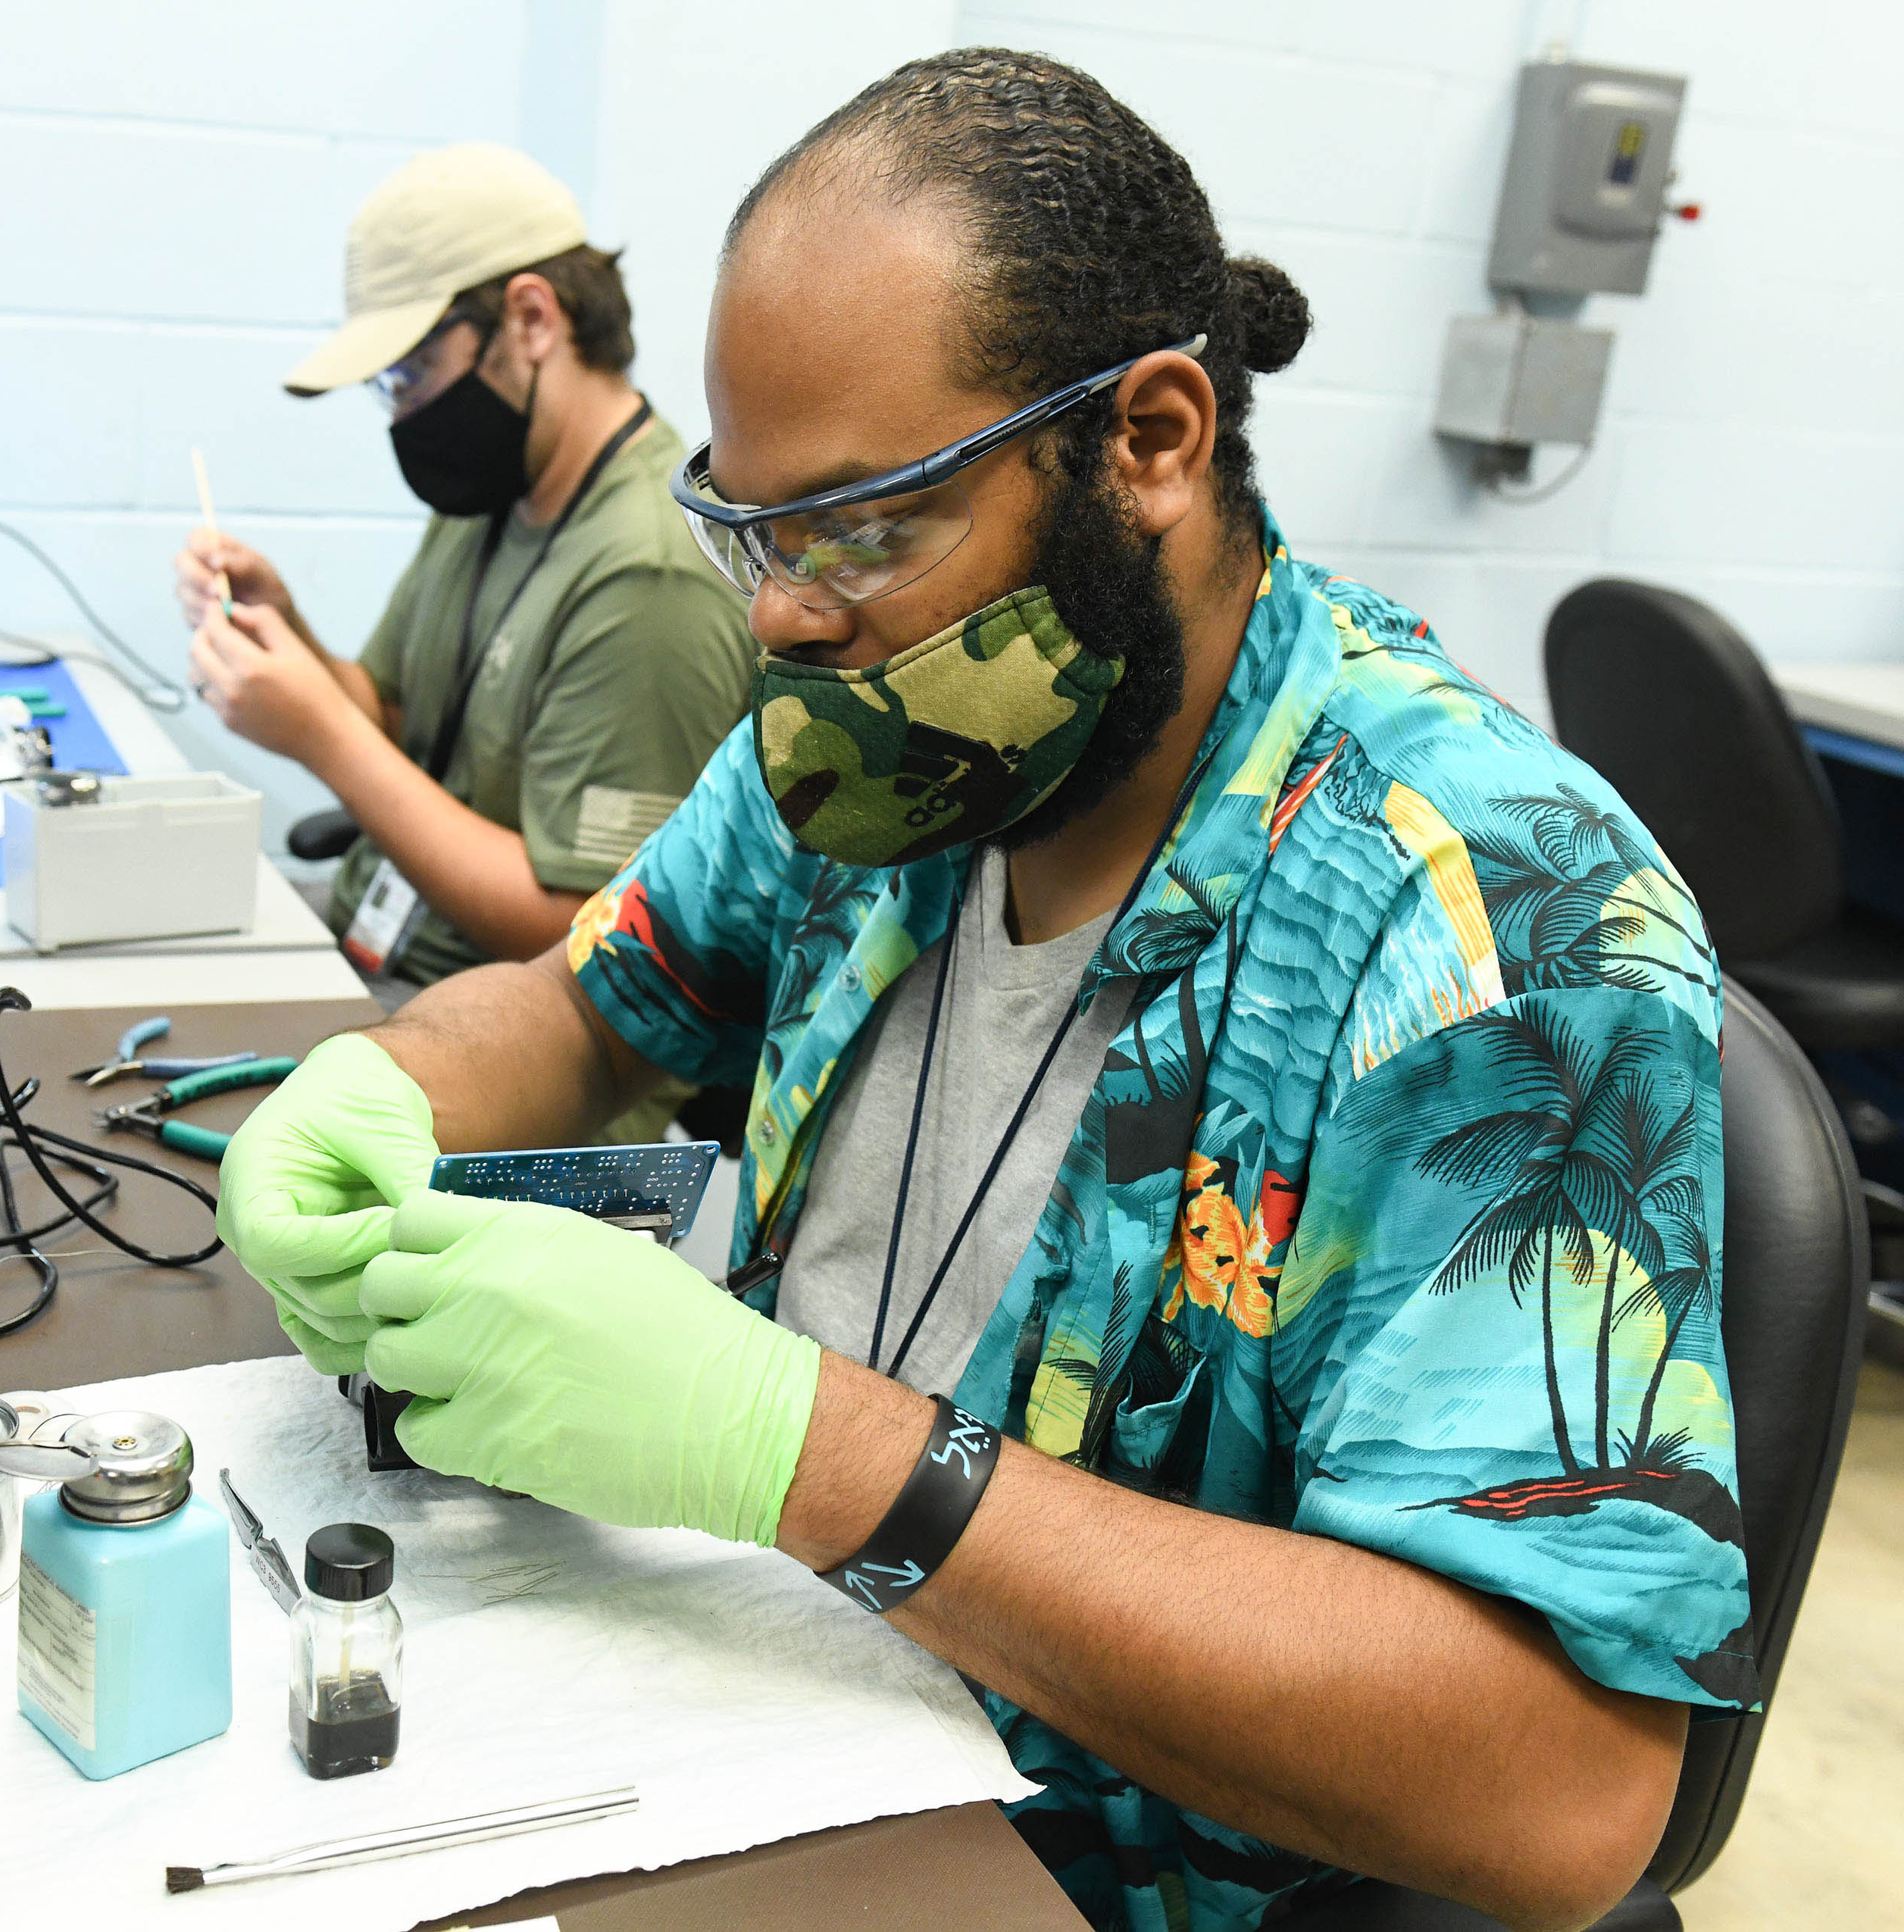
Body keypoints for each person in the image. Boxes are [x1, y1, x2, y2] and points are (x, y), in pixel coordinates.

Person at [214, 50, 1752, 1932]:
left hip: (1084, 1857)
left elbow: (1562, 1786)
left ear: (1151, 441)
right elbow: (587, 1003)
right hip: (771, 1693)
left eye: (864, 527)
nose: (785, 616)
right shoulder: (879, 753)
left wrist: (818, 1453)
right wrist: (379, 1088)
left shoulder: (1481, 919)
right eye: (753, 530)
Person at [175, 143, 755, 1023]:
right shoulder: (494, 494)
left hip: (508, 1031)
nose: (404, 414)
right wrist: (283, 632)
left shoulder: (648, 576)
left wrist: (321, 737)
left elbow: (585, 934)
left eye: (409, 375)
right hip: (393, 952)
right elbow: (406, 718)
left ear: (530, 321)